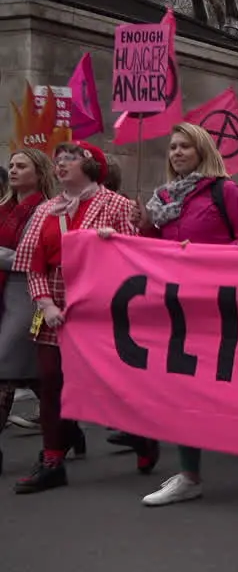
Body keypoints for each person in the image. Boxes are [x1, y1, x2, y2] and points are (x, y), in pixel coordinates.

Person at [135, 123, 238, 506]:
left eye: (184, 147)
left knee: (231, 385)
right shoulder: (161, 198)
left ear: (202, 151)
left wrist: (212, 256)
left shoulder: (226, 192)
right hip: (177, 305)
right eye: (172, 147)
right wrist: (140, 230)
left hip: (222, 305)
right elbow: (153, 252)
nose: (176, 153)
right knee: (181, 386)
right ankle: (189, 475)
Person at [12, 142, 139, 494]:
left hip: (99, 305)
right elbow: (33, 264)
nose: (61, 164)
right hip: (55, 304)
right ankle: (52, 459)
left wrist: (115, 243)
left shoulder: (117, 205)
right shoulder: (46, 210)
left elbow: (136, 256)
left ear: (91, 166)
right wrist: (45, 304)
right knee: (51, 380)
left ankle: (143, 438)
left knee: (110, 381)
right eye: (58, 160)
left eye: (70, 158)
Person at [0, 150, 56, 473]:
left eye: (22, 166)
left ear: (39, 172)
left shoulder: (44, 210)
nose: (13, 170)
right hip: (3, 294)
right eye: (11, 165)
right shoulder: (5, 208)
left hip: (26, 295)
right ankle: (68, 430)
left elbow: (30, 256)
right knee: (31, 372)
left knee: (5, 366)